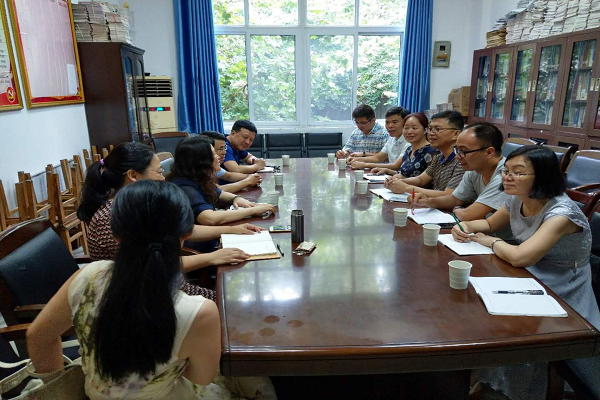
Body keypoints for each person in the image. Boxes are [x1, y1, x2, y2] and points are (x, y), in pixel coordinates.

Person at [27, 180, 276, 399]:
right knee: (261, 384)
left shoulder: (87, 275)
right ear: (186, 234)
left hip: (94, 395)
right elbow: (201, 378)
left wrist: (57, 387)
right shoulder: (198, 311)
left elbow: (37, 336)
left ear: (116, 235)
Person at [452, 146, 600, 400]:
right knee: (478, 303)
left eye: (518, 173)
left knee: (510, 322)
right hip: (528, 273)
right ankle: (486, 379)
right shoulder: (516, 198)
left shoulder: (562, 214)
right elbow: (489, 223)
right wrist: (464, 225)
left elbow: (521, 257)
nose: (507, 177)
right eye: (506, 171)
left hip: (562, 285)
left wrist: (491, 241)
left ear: (542, 176)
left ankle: (512, 389)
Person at [77, 142, 261, 299]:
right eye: (158, 172)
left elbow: (181, 230)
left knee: (233, 299)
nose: (163, 178)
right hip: (144, 297)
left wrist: (232, 230)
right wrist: (212, 257)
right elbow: (146, 267)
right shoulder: (112, 218)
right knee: (231, 304)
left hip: (167, 284)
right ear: (133, 175)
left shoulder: (139, 204)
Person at [169, 136, 275, 252]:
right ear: (201, 161)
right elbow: (210, 218)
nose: (218, 157)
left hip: (214, 239)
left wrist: (235, 198)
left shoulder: (197, 177)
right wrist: (252, 211)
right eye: (214, 154)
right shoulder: (185, 187)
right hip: (202, 248)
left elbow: (219, 193)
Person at [409, 122, 509, 228]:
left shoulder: (506, 176)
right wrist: (427, 201)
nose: (457, 156)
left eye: (463, 151)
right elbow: (455, 199)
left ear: (489, 152)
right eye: (457, 150)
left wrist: (456, 209)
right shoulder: (474, 170)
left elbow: (467, 215)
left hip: (499, 237)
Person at [385, 110, 465, 197]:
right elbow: (421, 180)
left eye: (437, 129)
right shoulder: (439, 157)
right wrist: (395, 182)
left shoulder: (462, 160)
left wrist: (406, 188)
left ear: (456, 134)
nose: (431, 133)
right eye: (430, 129)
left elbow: (449, 195)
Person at [370, 113, 439, 178]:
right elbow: (404, 174)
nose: (409, 132)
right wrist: (387, 171)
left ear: (425, 130)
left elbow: (425, 181)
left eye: (414, 128)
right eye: (406, 128)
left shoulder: (431, 152)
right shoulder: (409, 149)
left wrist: (403, 180)